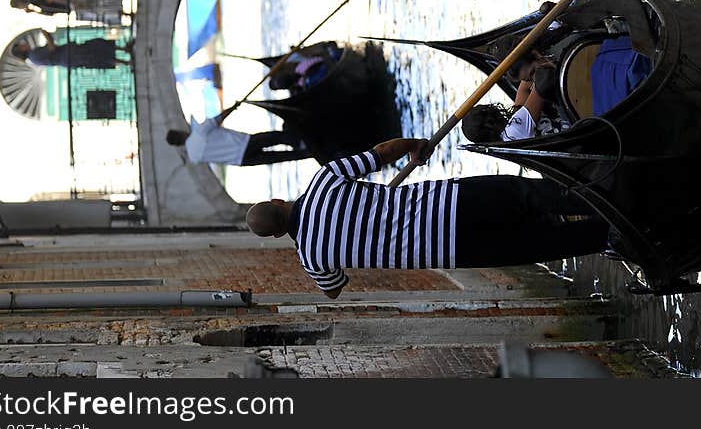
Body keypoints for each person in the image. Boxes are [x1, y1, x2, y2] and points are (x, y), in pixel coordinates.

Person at [246, 137, 608, 298]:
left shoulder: (313, 258)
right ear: (278, 201)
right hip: (450, 202)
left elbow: (335, 291)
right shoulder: (324, 180)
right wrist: (414, 146)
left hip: (456, 249)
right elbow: (380, 154)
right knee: (531, 197)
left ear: (278, 236)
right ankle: (607, 199)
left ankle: (613, 235)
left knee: (542, 244)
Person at [166, 103, 309, 166]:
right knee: (277, 137)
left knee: (281, 157)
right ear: (180, 133)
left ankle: (307, 153)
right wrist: (234, 107)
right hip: (244, 143)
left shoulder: (194, 158)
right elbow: (219, 118)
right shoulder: (199, 131)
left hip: (241, 161)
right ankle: (302, 142)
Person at [11, 29, 131, 69]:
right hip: (70, 55)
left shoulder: (33, 58)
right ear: (21, 50)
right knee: (97, 51)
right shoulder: (34, 55)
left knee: (97, 50)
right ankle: (125, 56)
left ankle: (125, 57)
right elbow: (51, 49)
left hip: (69, 57)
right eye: (21, 46)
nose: (24, 44)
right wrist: (47, 36)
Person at [10, 0, 131, 24]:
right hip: (71, 2)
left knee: (97, 7)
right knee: (98, 4)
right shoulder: (34, 4)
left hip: (72, 1)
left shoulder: (36, 0)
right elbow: (50, 12)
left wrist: (72, 3)